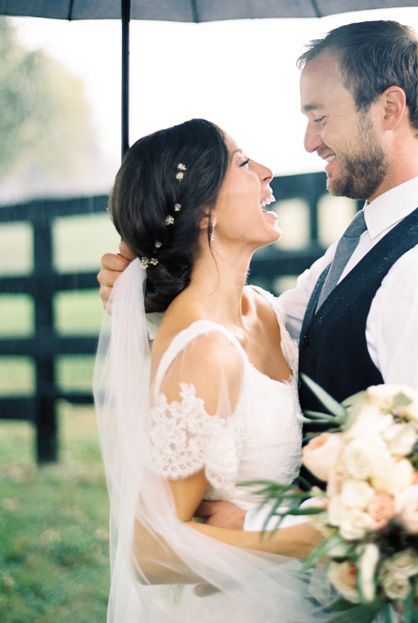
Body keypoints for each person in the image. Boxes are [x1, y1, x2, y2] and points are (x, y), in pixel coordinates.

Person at [98, 20, 418, 527]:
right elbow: (264, 331)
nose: (309, 141)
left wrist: (254, 526)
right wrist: (147, 293)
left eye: (320, 117)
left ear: (389, 109)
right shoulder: (367, 238)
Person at [94, 118, 326, 622]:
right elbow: (149, 551)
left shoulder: (263, 312)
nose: (266, 172)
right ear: (202, 213)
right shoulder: (204, 351)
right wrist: (302, 537)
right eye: (243, 163)